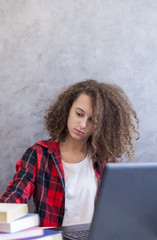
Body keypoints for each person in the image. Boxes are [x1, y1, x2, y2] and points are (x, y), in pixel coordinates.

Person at [0, 79, 139, 227]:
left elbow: (114, 208)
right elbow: (15, 195)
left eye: (92, 120)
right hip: (54, 237)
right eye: (79, 114)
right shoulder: (39, 154)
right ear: (67, 109)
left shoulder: (103, 158)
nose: (83, 124)